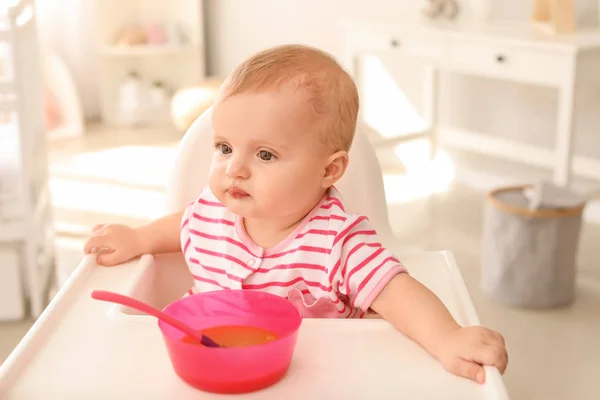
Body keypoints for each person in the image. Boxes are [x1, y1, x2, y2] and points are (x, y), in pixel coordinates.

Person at [84, 44, 508, 384]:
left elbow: (397, 293)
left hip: (314, 378)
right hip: (209, 364)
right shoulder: (214, 211)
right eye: (225, 147)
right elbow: (183, 225)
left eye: (265, 154)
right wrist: (138, 239)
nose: (234, 167)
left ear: (329, 170)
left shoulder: (339, 242)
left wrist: (448, 338)